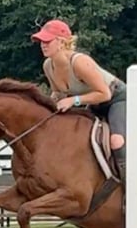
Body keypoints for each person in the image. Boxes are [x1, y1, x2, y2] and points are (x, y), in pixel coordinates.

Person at [30, 19, 128, 190]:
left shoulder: (80, 62)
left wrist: (74, 101)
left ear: (61, 42)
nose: (42, 45)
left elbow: (104, 93)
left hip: (117, 98)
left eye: (47, 41)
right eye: (41, 41)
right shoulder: (48, 65)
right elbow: (58, 93)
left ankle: (128, 185)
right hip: (93, 103)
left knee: (116, 141)